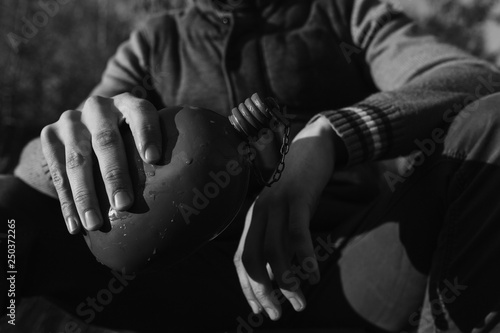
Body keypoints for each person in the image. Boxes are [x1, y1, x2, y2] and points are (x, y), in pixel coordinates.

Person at [2, 0, 500, 331]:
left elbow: (473, 76)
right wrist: (70, 143)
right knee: (8, 211)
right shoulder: (155, 44)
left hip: (345, 270)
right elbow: (52, 171)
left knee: (493, 126)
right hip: (191, 284)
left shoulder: (343, 13)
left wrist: (328, 136)